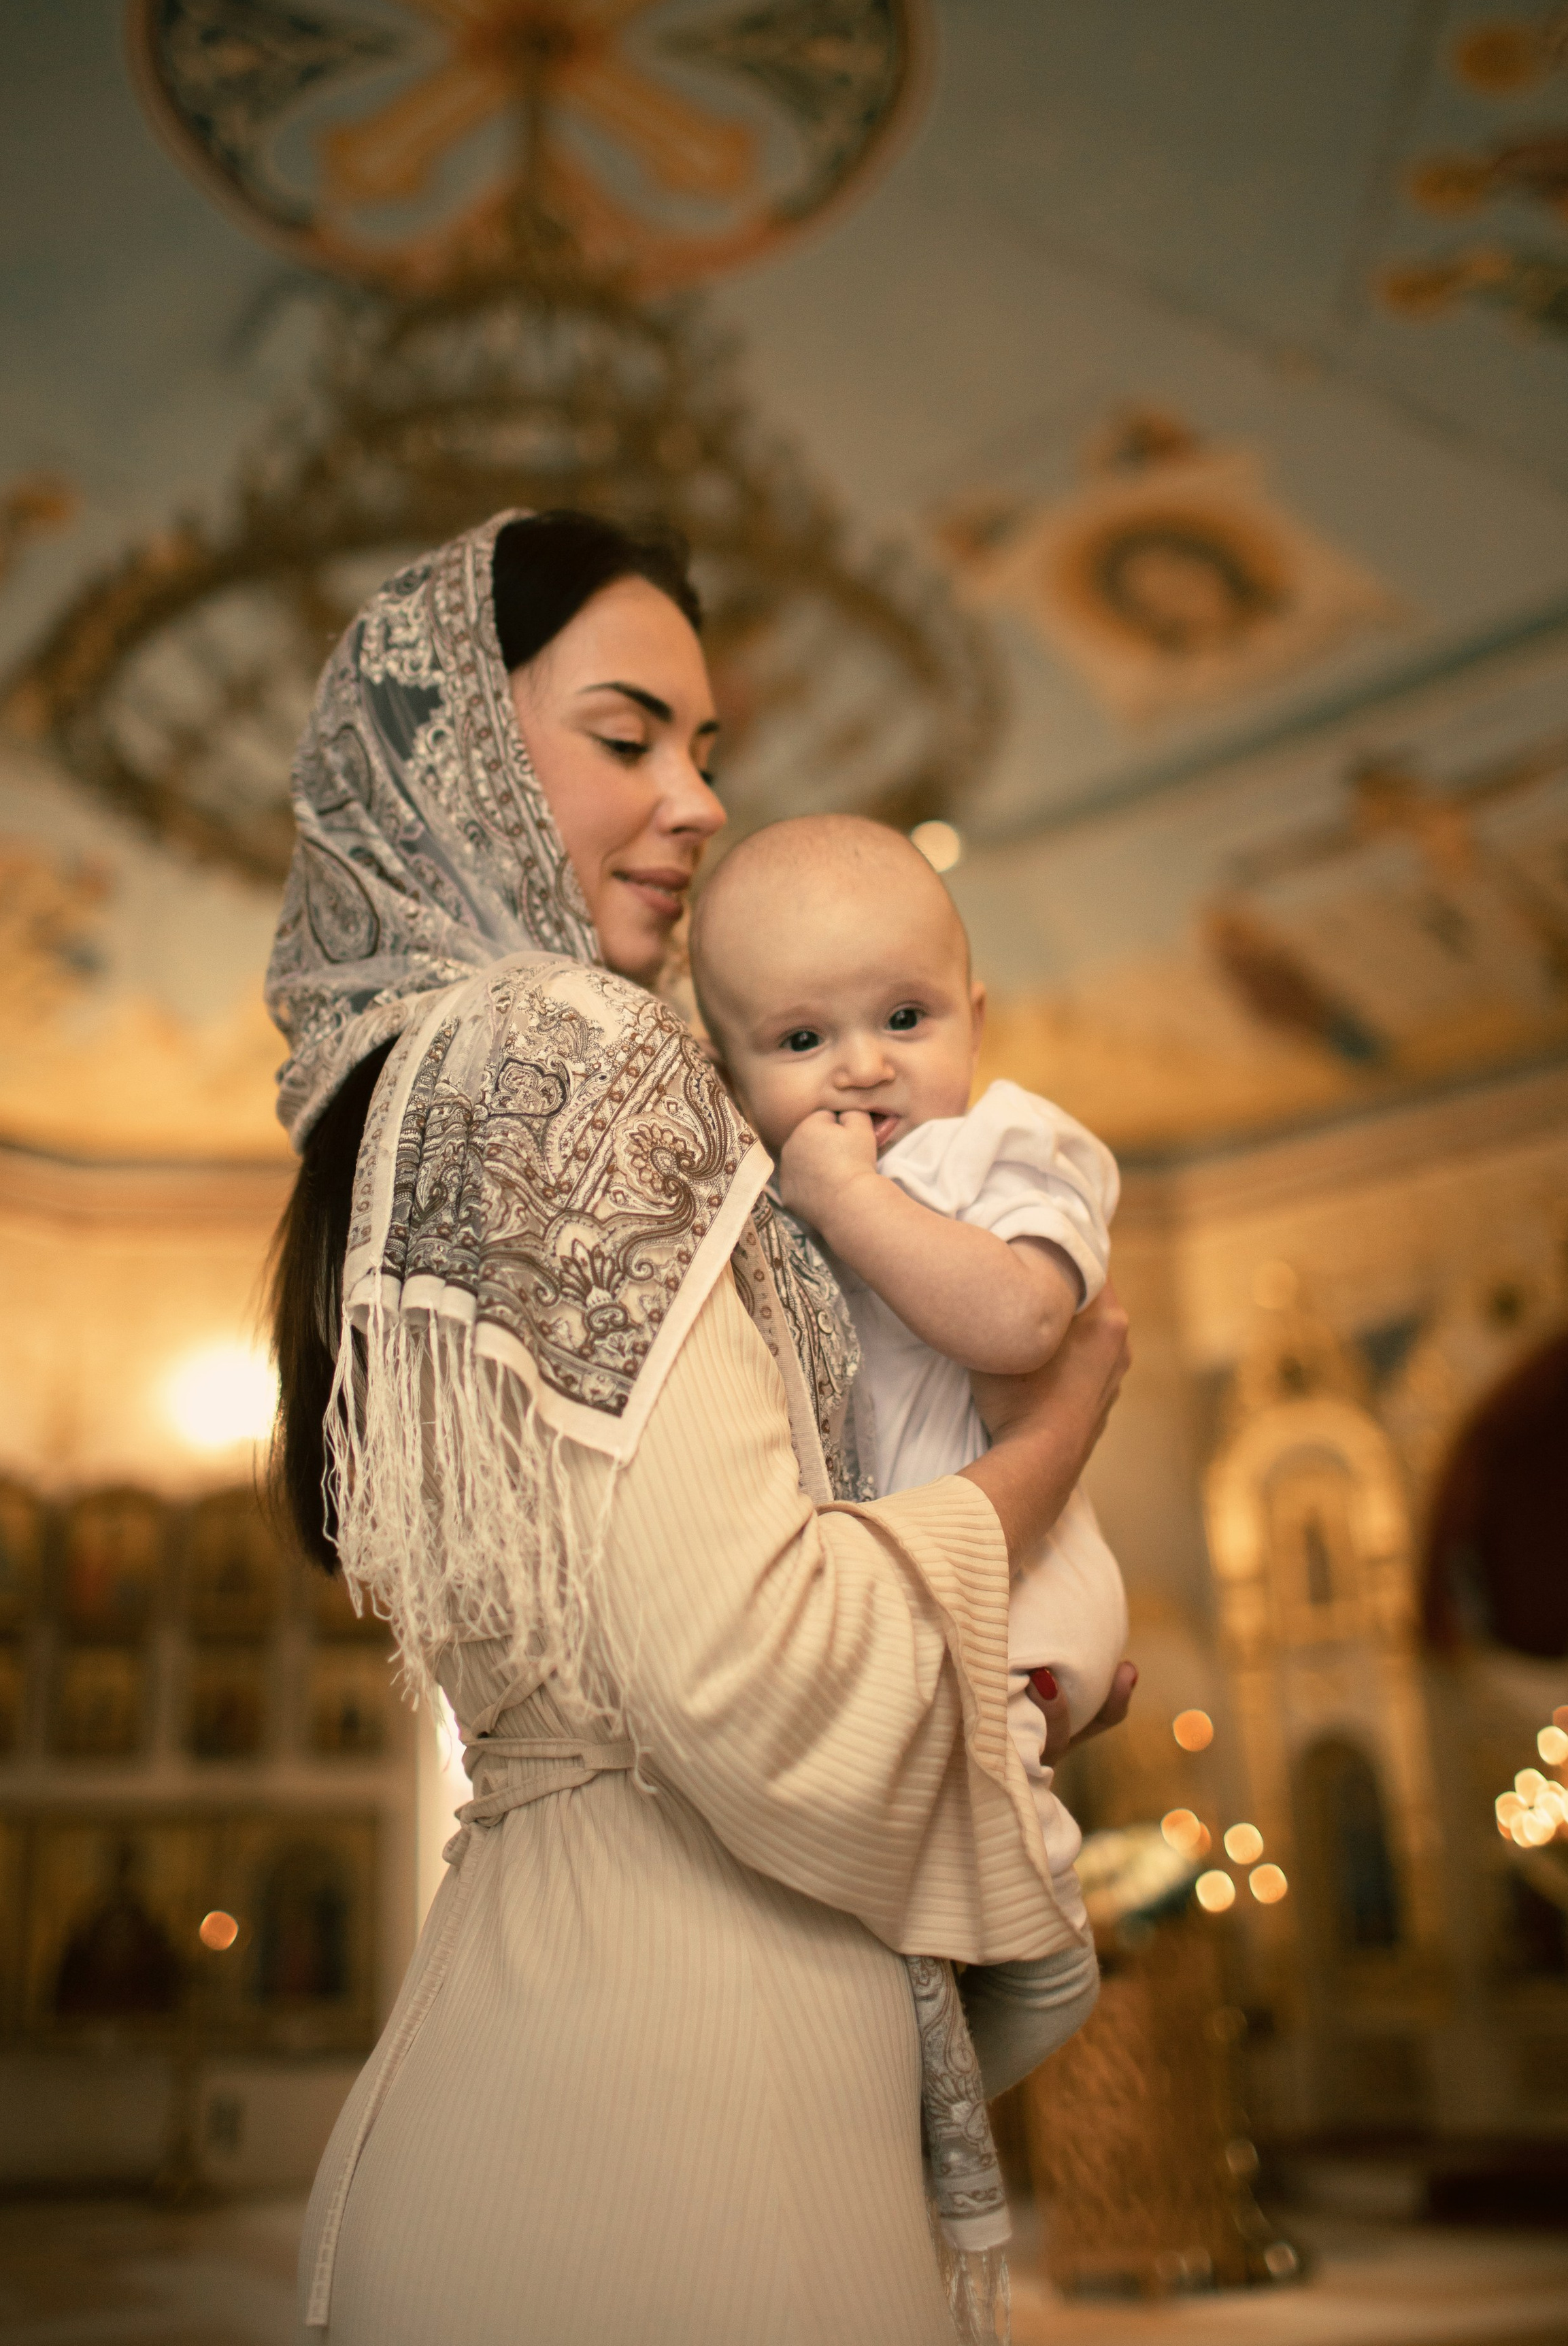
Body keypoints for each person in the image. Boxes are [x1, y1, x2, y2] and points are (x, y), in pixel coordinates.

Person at [266, 508, 1132, 2346]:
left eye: (710, 752)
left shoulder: (424, 1092)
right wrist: (1053, 1446)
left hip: (558, 2042)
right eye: (626, 734)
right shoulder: (564, 1056)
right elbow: (761, 1678)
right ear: (469, 761)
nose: (697, 802)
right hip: (685, 2120)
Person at [689, 814, 1125, 2092]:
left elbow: (1029, 1317)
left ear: (975, 1020)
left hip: (1018, 1582)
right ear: (731, 1071)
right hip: (901, 1596)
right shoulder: (770, 1204)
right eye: (804, 1039)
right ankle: (911, 2058)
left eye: (906, 1018)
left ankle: (1034, 1968)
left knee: (979, 1815)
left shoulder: (999, 1150)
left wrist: (850, 1201)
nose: (863, 1068)